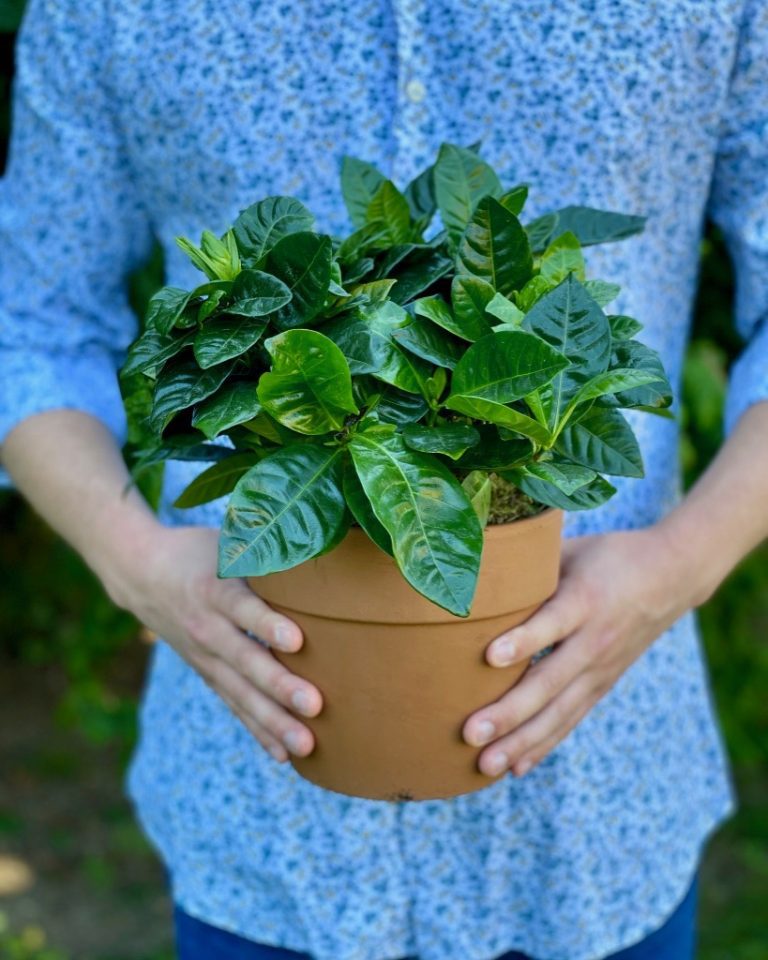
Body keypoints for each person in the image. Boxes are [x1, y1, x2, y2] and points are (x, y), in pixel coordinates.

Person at [1, 1, 767, 958]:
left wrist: (679, 565)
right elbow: (29, 331)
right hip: (260, 821)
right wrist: (137, 561)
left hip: (597, 819)